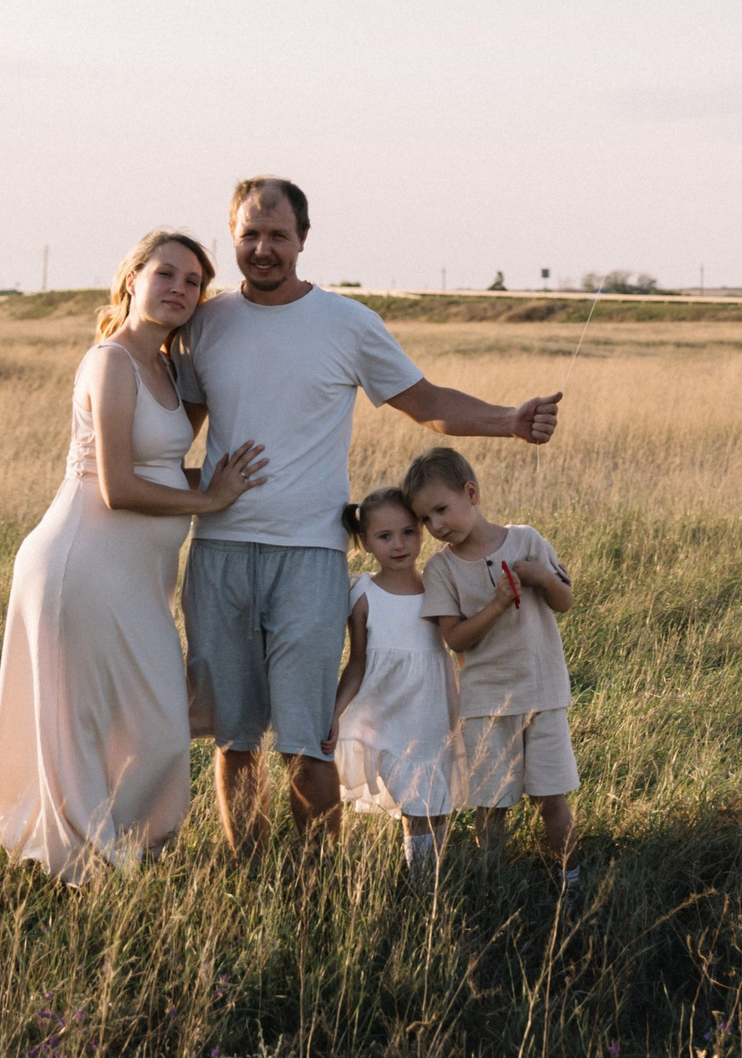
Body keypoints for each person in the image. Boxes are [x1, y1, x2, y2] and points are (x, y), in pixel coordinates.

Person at [172, 175, 562, 849]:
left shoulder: (347, 323)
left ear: (302, 239)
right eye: (249, 236)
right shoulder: (205, 323)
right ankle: (248, 873)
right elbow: (172, 435)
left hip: (312, 558)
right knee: (235, 737)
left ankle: (313, 885)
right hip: (220, 552)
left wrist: (509, 420)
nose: (263, 249)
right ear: (230, 238)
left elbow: (426, 400)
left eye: (278, 236)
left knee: (308, 736)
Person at [0, 230, 269, 882]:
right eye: (166, 273)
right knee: (90, 723)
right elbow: (116, 486)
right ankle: (89, 867)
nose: (179, 289)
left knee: (158, 727)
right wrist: (213, 497)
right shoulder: (109, 362)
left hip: (136, 579)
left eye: (193, 282)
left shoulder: (167, 371)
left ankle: (116, 852)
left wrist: (226, 483)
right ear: (132, 278)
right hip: (79, 566)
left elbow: (163, 468)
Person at [405, 446, 579, 885]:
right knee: (492, 801)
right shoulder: (441, 570)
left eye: (442, 509)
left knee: (551, 795)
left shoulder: (526, 540)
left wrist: (540, 576)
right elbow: (455, 637)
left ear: (471, 493)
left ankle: (570, 878)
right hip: (484, 701)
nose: (437, 525)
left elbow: (565, 601)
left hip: (542, 691)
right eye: (426, 519)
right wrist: (499, 603)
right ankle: (493, 881)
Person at [326, 486, 459, 878]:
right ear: (366, 542)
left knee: (435, 800)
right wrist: (336, 712)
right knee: (415, 801)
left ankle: (434, 873)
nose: (398, 545)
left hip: (431, 709)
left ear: (422, 531)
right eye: (385, 537)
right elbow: (358, 662)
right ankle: (421, 881)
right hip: (385, 711)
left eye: (408, 532)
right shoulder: (363, 592)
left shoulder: (437, 581)